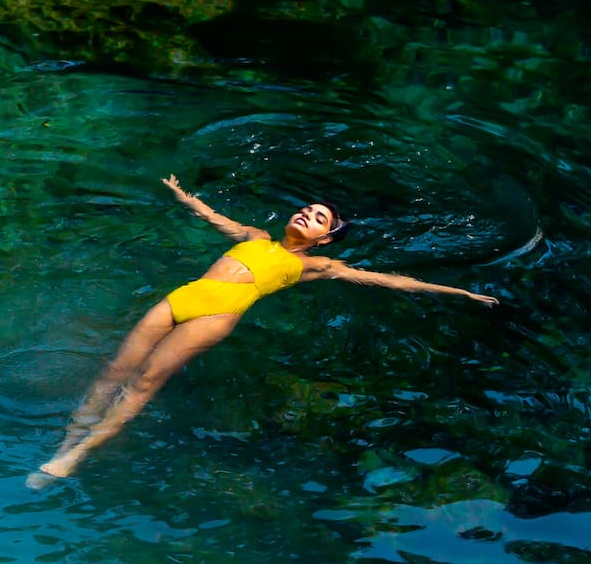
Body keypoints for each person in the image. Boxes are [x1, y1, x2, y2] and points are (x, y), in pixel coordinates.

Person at [28, 174, 498, 487]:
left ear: (325, 238)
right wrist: (180, 193)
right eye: (305, 209)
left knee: (143, 382)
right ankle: (66, 440)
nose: (305, 216)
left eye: (318, 219)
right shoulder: (255, 236)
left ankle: (79, 454)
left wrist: (459, 293)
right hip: (182, 297)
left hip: (216, 317)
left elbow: (387, 280)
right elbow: (212, 216)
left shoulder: (315, 265)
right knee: (116, 368)